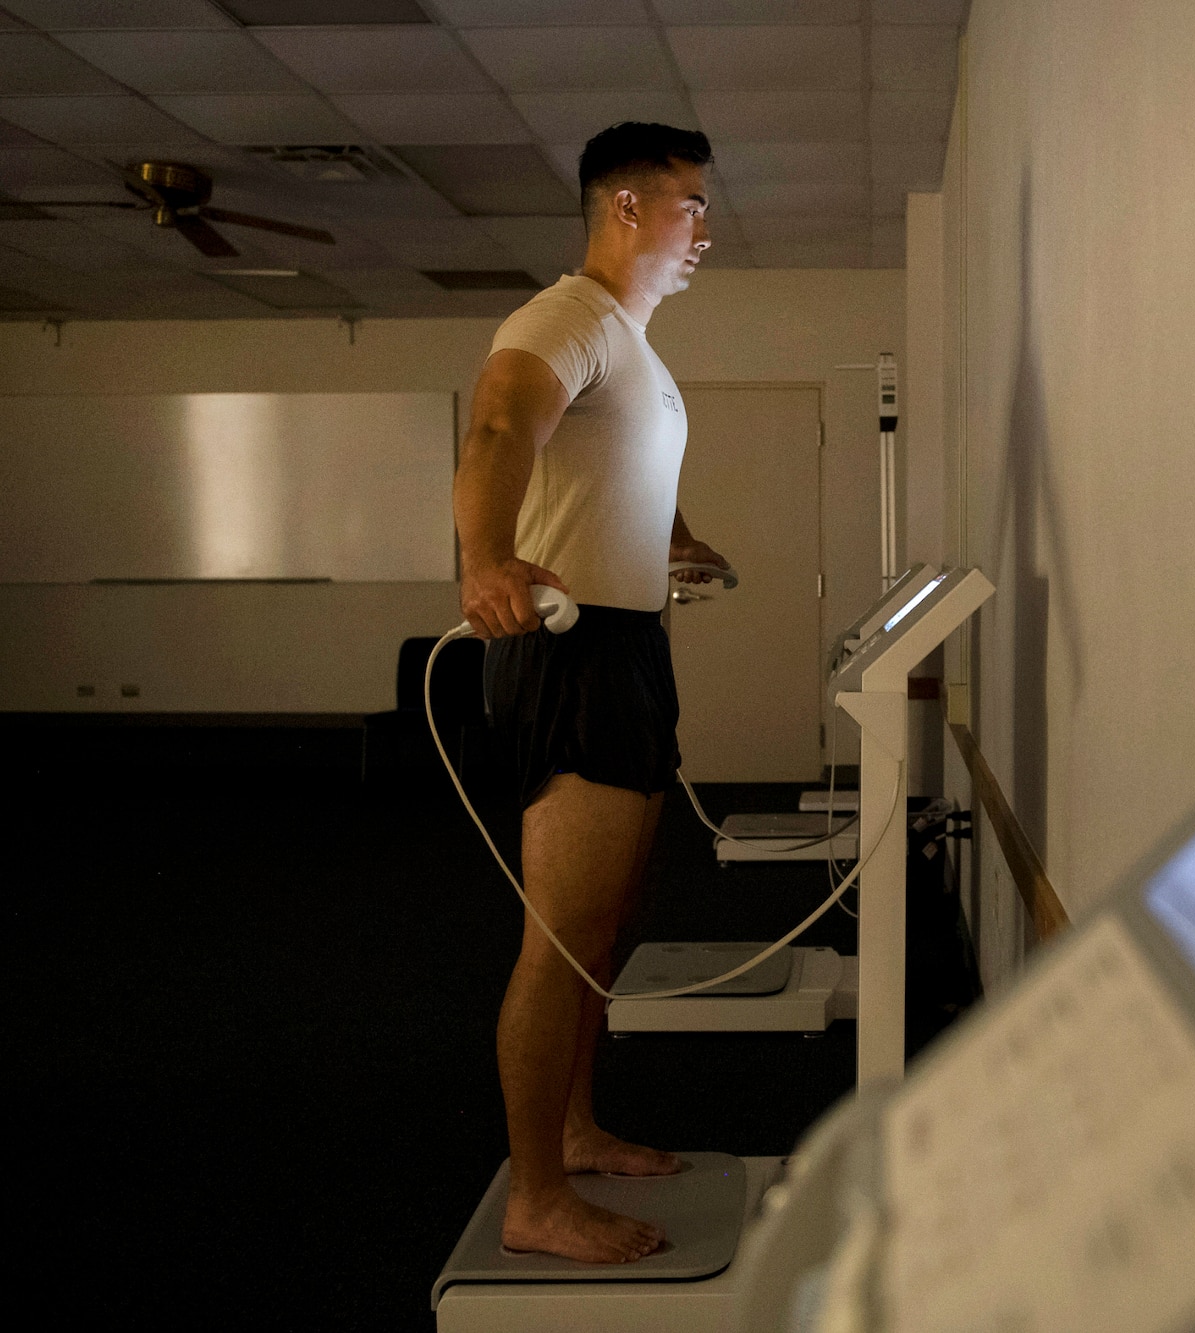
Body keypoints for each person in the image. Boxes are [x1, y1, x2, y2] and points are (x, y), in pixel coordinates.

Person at [452, 121, 729, 1264]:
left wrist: (675, 541)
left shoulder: (632, 346)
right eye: (688, 207)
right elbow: (503, 424)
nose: (702, 228)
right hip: (569, 654)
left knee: (605, 929)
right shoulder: (563, 318)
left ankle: (574, 1128)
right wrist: (486, 558)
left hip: (625, 649)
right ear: (626, 208)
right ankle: (535, 1196)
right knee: (557, 934)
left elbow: (615, 472)